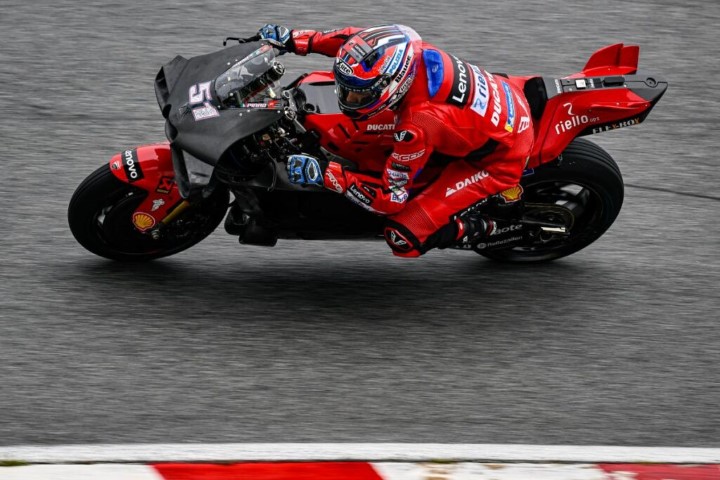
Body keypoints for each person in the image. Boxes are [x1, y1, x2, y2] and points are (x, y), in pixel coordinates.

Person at [258, 24, 534, 257]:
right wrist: (294, 38)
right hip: (502, 98)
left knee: (403, 237)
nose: (346, 97)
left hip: (498, 158)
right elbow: (350, 41)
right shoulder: (403, 47)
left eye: (357, 94)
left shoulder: (417, 126)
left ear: (393, 84)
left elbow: (390, 199)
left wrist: (324, 174)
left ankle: (485, 228)